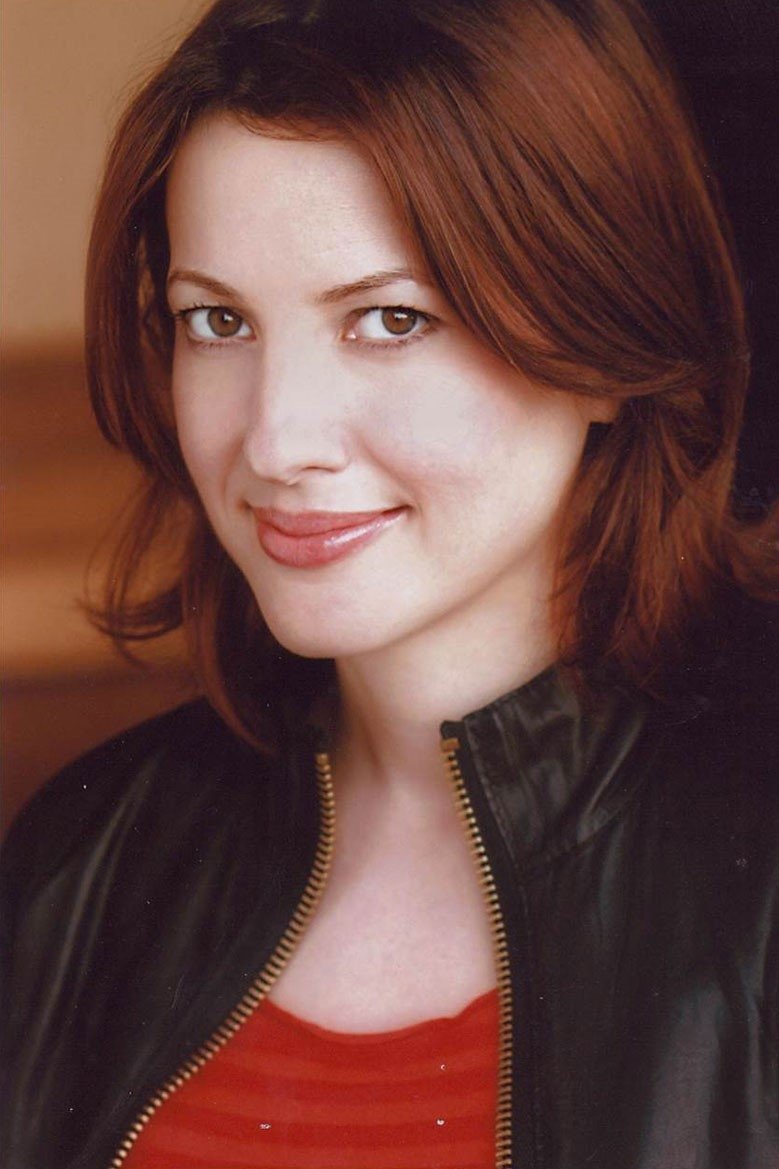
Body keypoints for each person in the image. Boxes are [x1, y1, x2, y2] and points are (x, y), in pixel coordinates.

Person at [2, 1, 778, 1166]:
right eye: (216, 320)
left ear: (603, 349)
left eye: (390, 318)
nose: (276, 438)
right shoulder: (84, 854)